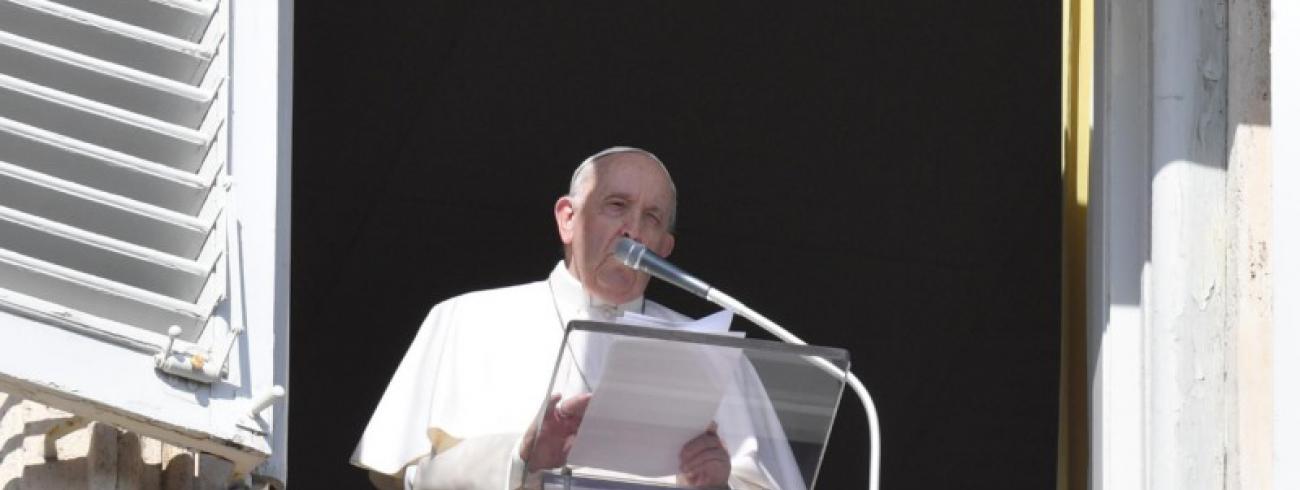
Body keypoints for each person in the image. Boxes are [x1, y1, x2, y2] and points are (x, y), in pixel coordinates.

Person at [351, 147, 800, 490]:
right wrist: (521, 458)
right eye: (616, 205)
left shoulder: (713, 354)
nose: (633, 230)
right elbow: (409, 480)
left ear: (664, 247)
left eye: (651, 217)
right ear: (568, 219)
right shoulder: (466, 319)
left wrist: (718, 484)